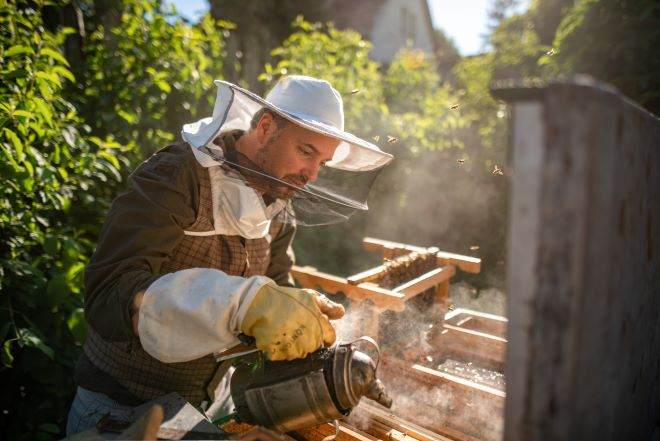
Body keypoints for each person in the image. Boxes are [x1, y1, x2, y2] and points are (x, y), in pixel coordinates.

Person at [65, 75, 393, 436]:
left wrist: (297, 306)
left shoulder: (280, 204)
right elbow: (109, 297)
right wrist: (243, 304)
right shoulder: (176, 176)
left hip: (212, 402)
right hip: (119, 409)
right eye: (306, 152)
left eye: (323, 163)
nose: (311, 176)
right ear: (266, 127)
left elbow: (275, 283)